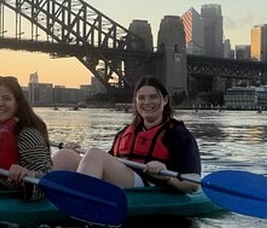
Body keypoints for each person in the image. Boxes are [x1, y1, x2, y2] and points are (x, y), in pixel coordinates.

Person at [52, 76, 201, 193]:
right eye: (141, 98)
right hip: (124, 180)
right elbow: (108, 161)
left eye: (153, 97)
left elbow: (193, 184)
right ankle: (43, 195)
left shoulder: (179, 135)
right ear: (135, 102)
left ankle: (79, 202)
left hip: (151, 185)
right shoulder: (124, 133)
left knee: (94, 154)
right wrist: (76, 151)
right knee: (64, 154)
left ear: (165, 100)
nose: (147, 102)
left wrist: (167, 178)